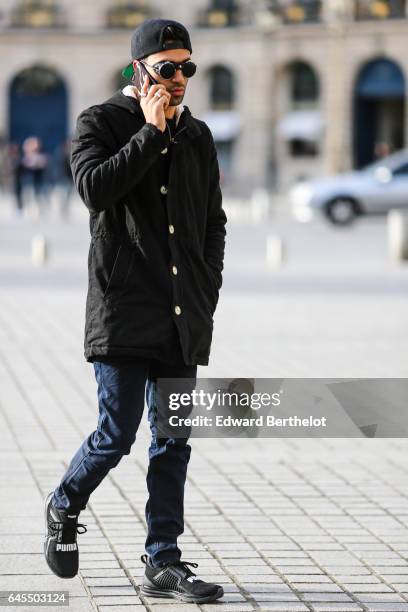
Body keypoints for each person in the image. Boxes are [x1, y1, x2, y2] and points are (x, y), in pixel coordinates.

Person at [43, 18, 227, 604]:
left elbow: (212, 223)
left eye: (187, 69)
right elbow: (94, 189)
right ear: (138, 70)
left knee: (172, 439)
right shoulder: (102, 122)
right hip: (123, 313)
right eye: (167, 68)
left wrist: (207, 288)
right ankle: (65, 503)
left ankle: (163, 559)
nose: (178, 81)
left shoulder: (197, 135)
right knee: (116, 434)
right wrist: (149, 133)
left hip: (181, 316)